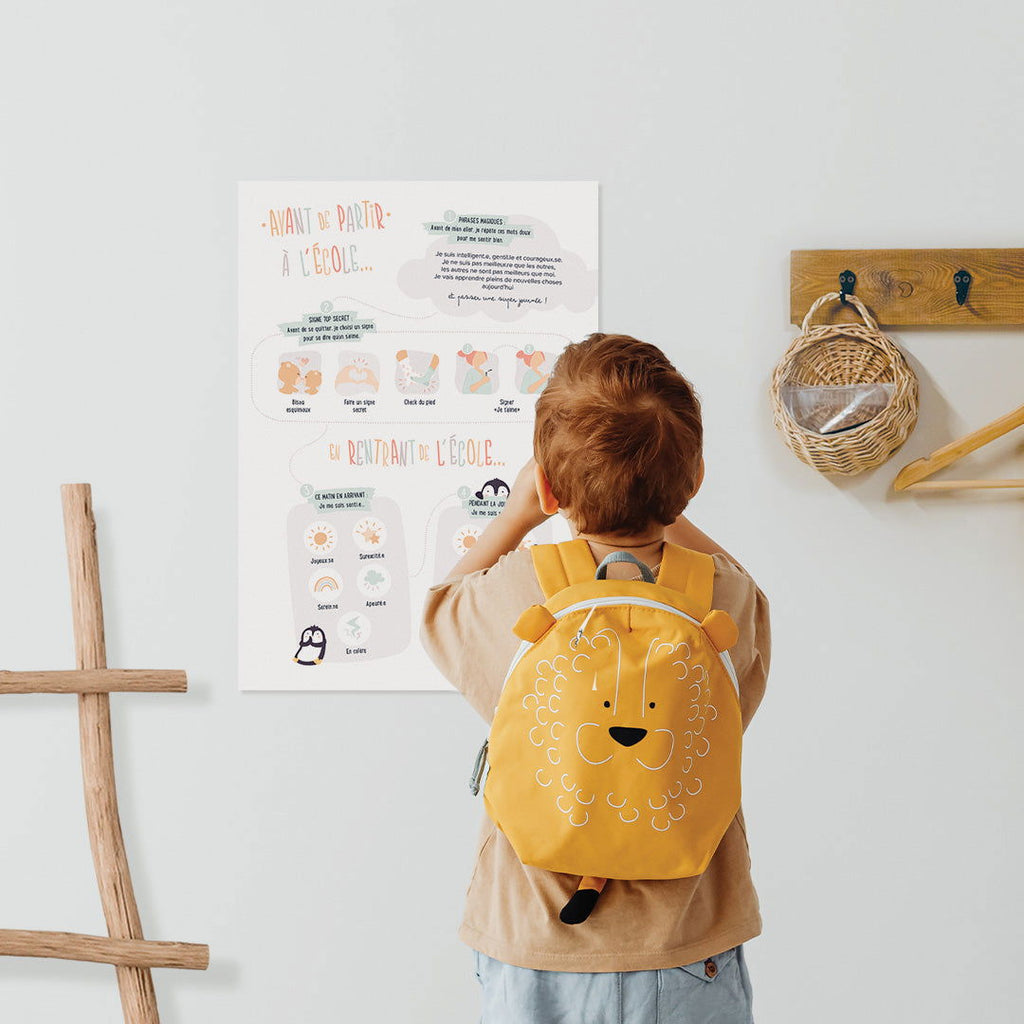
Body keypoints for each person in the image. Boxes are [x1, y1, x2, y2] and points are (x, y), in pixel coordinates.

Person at [419, 333, 770, 1024]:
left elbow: (439, 608)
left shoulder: (519, 592)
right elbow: (754, 602)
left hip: (535, 943)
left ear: (548, 485)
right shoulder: (723, 598)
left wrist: (521, 513)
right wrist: (664, 504)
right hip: (685, 947)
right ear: (693, 481)